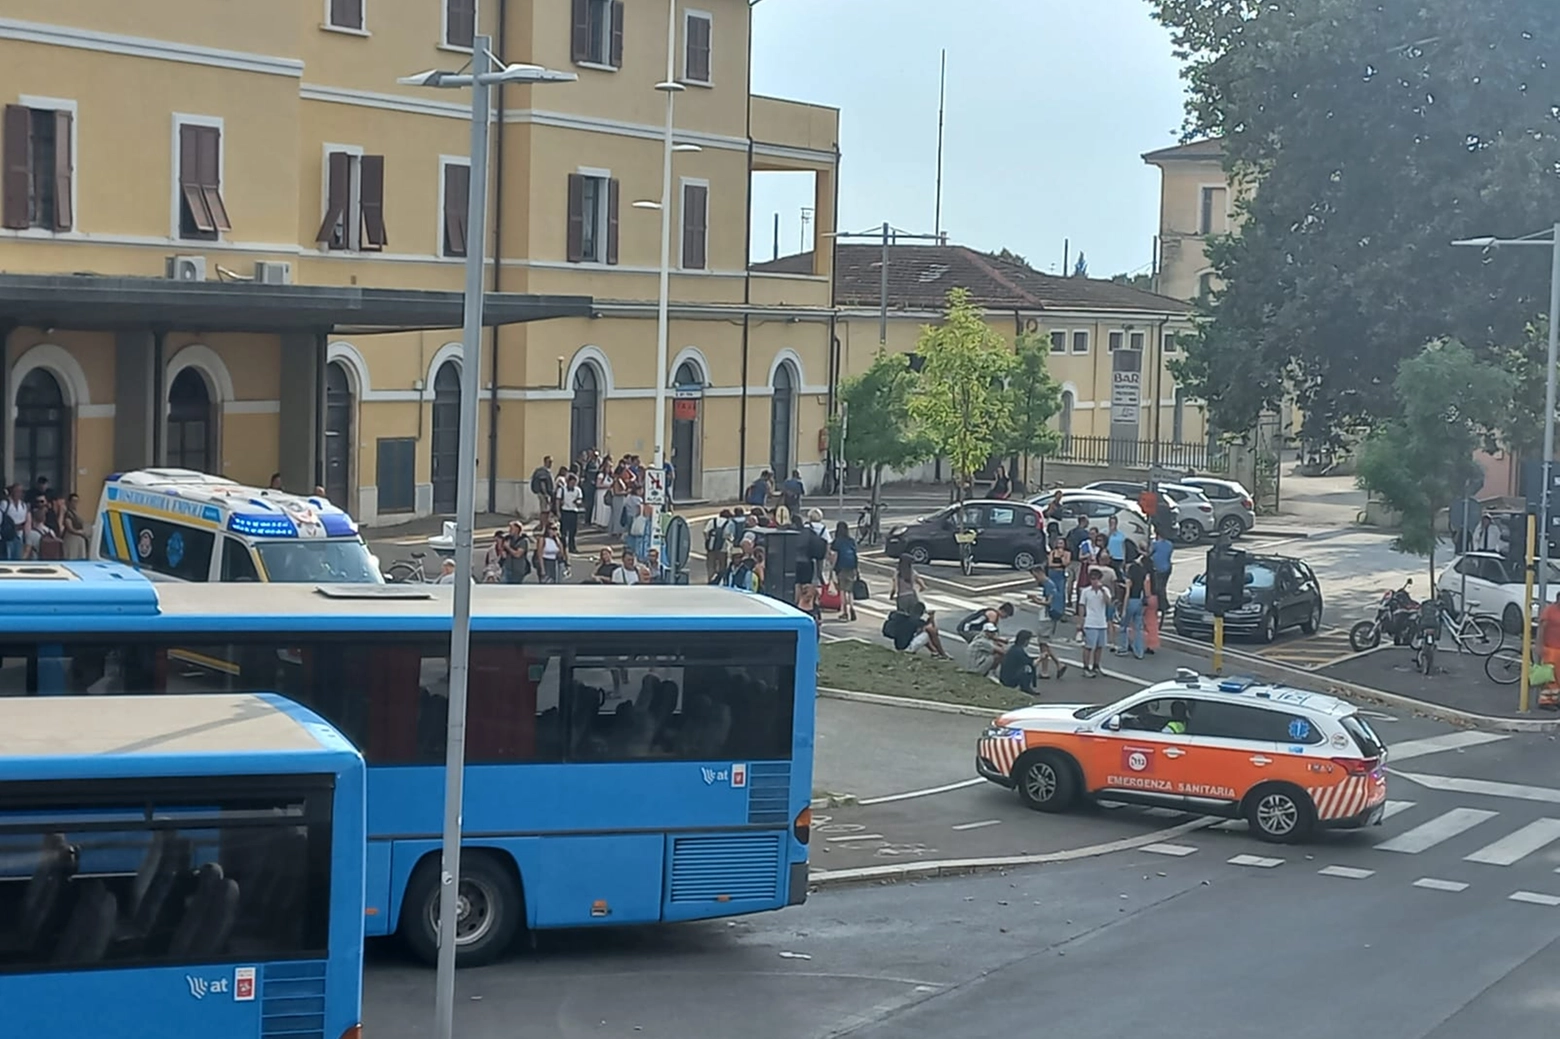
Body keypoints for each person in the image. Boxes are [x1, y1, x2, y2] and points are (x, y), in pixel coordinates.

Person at [1078, 568, 1111, 678]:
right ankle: (1086, 667)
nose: (1094, 581)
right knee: (1089, 646)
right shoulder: (1085, 591)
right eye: (1092, 579)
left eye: (1096, 579)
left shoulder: (1105, 590)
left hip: (1101, 622)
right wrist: (1080, 621)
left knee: (1100, 646)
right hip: (1090, 622)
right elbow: (1081, 606)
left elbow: (1108, 603)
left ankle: (1096, 665)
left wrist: (1102, 590)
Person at [1117, 549, 1150, 660]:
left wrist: (1124, 609)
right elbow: (1145, 589)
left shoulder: (1129, 574)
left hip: (1131, 601)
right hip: (1139, 601)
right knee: (1138, 628)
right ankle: (1139, 651)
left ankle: (1123, 648)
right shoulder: (1143, 573)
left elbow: (1127, 592)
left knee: (1124, 626)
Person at [829, 521, 860, 622]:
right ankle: (852, 607)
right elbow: (855, 554)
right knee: (850, 590)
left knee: (842, 590)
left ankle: (845, 612)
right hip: (852, 567)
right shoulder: (851, 541)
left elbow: (834, 555)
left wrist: (832, 569)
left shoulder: (837, 541)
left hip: (841, 567)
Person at [999, 630, 1040, 696]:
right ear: (1025, 640)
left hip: (1004, 677)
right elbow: (1033, 663)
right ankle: (1025, 687)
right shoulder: (1019, 651)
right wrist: (1041, 658)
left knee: (1026, 666)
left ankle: (1024, 686)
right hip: (1010, 680)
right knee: (1028, 668)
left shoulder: (1013, 649)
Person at [1537, 598, 1560, 710]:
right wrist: (1539, 645)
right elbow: (1542, 628)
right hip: (1550, 648)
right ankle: (1545, 701)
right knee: (1550, 677)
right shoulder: (1549, 610)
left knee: (1558, 677)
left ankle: (1554, 700)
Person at [1149, 527, 1175, 617]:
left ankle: (1164, 606)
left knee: (1159, 588)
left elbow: (1149, 553)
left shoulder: (1155, 544)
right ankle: (1163, 605)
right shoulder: (1169, 544)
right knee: (1163, 586)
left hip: (1159, 569)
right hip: (1167, 567)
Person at [558, 471, 584, 553]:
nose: (573, 484)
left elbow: (580, 499)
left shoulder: (578, 490)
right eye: (572, 482)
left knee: (573, 531)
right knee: (563, 531)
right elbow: (557, 501)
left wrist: (578, 502)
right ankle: (562, 547)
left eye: (574, 483)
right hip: (565, 511)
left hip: (573, 511)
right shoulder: (562, 490)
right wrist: (558, 512)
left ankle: (572, 547)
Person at [60, 492, 88, 560]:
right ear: (69, 502)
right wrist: (79, 532)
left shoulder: (75, 513)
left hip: (79, 539)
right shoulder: (68, 513)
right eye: (73, 501)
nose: (75, 503)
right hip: (72, 538)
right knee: (72, 556)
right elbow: (69, 528)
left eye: (76, 501)